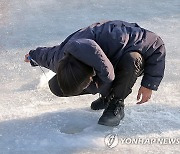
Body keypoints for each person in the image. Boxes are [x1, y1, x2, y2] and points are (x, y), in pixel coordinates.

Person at [24, 20, 166, 127]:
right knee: (57, 86)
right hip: (103, 62)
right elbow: (46, 55)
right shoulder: (59, 58)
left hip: (124, 53)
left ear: (91, 75)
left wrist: (149, 84)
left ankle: (116, 102)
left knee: (133, 59)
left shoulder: (121, 38)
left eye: (90, 83)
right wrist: (32, 56)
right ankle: (107, 95)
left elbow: (157, 44)